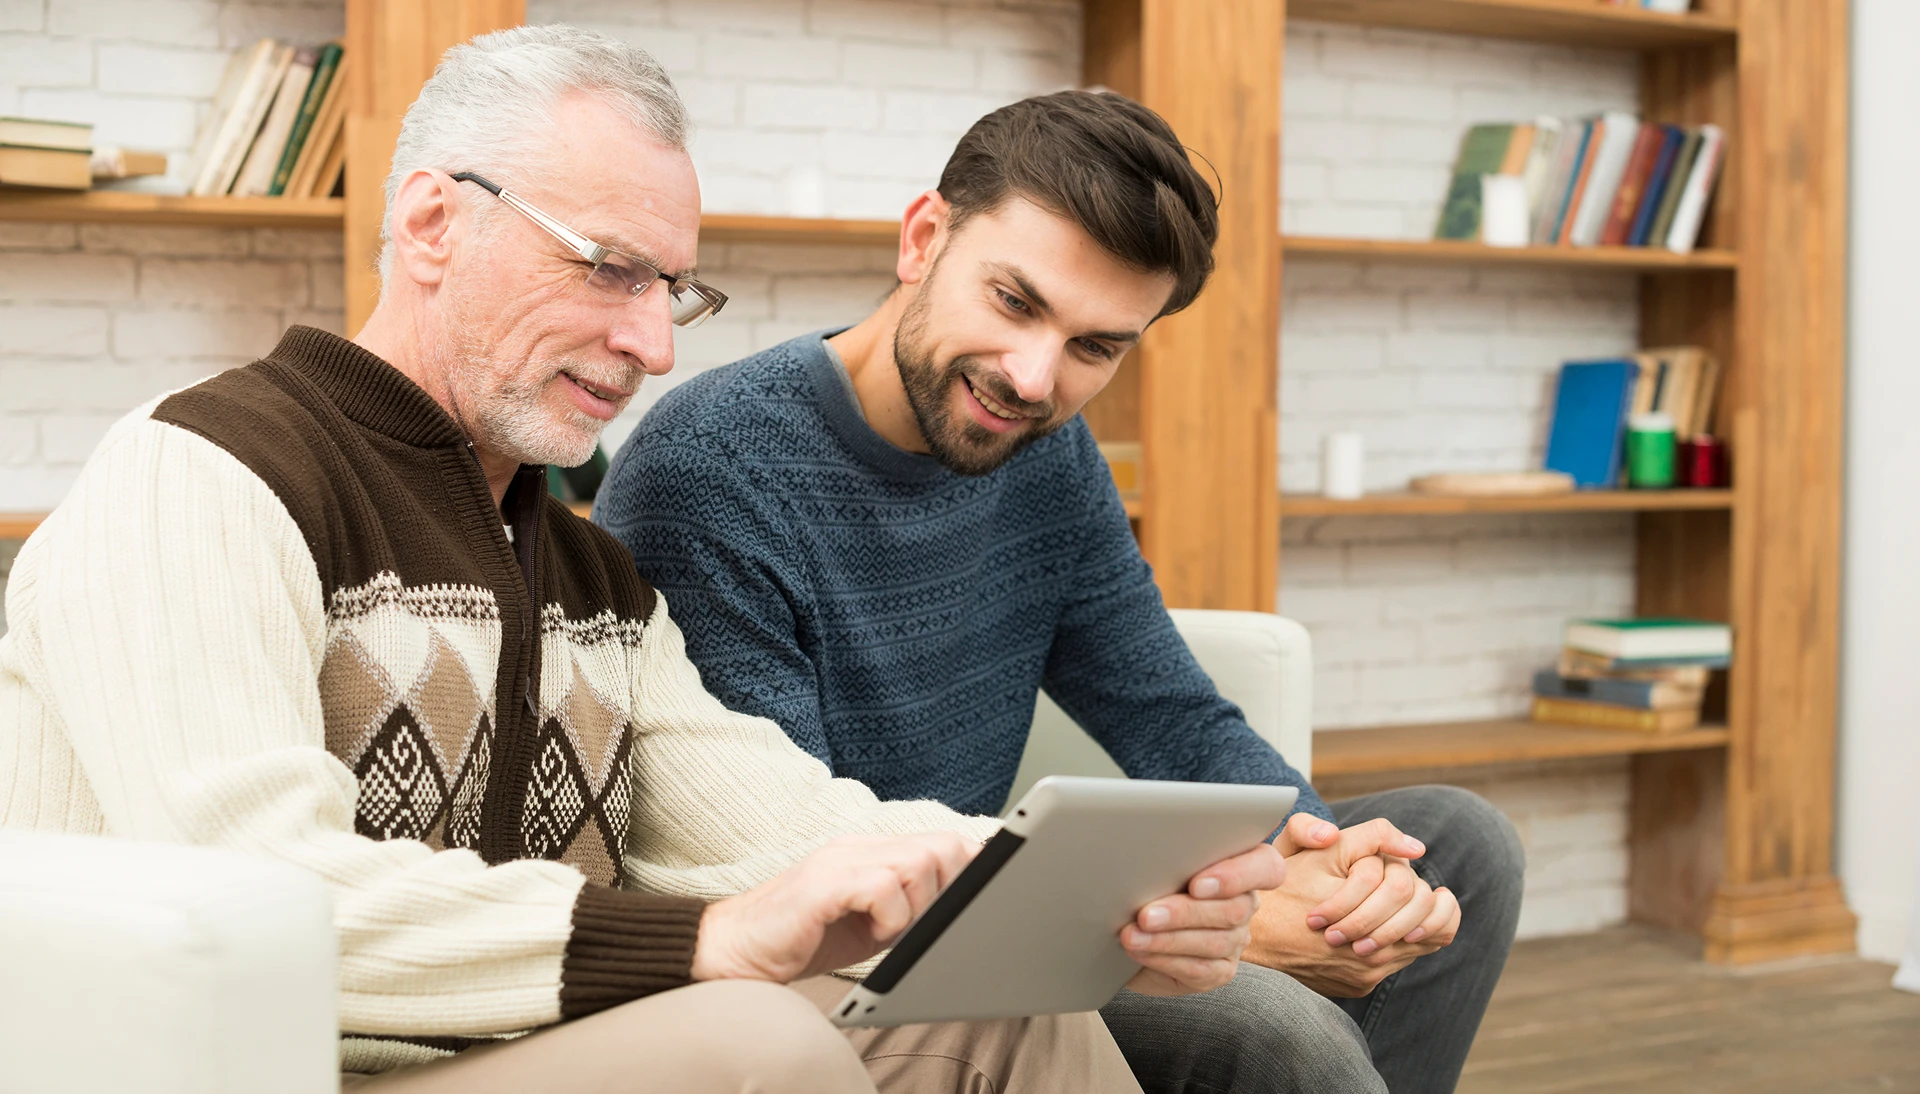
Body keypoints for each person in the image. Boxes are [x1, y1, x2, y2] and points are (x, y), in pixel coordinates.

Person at [0, 28, 1285, 1093]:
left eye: (668, 289)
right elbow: (262, 899)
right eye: (608, 268)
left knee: (1008, 1007)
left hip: (519, 1046)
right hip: (271, 1064)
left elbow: (781, 818)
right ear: (435, 222)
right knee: (765, 1041)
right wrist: (706, 938)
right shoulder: (204, 472)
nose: (652, 344)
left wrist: (1084, 907)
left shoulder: (582, 574)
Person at [599, 90, 1527, 1094]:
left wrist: (1323, 863)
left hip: (998, 887)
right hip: (855, 945)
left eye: (1098, 346)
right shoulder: (712, 469)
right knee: (1277, 1029)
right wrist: (1223, 921)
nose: (1035, 378)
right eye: (1015, 301)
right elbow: (789, 853)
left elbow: (1167, 711)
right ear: (923, 239)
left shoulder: (1043, 451)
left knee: (1456, 847)